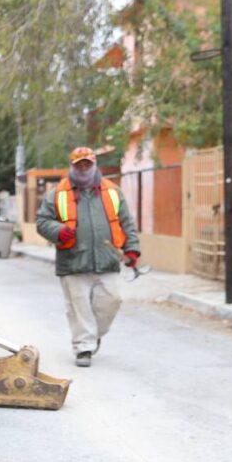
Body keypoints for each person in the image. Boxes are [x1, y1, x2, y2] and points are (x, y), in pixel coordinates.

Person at [36, 147, 140, 367]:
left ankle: (93, 335)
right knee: (79, 307)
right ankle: (83, 347)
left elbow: (127, 223)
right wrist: (58, 231)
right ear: (72, 166)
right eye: (79, 164)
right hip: (73, 260)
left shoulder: (112, 191)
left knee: (113, 299)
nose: (83, 168)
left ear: (94, 165)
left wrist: (132, 249)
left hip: (108, 259)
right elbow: (42, 221)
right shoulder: (57, 193)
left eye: (87, 164)